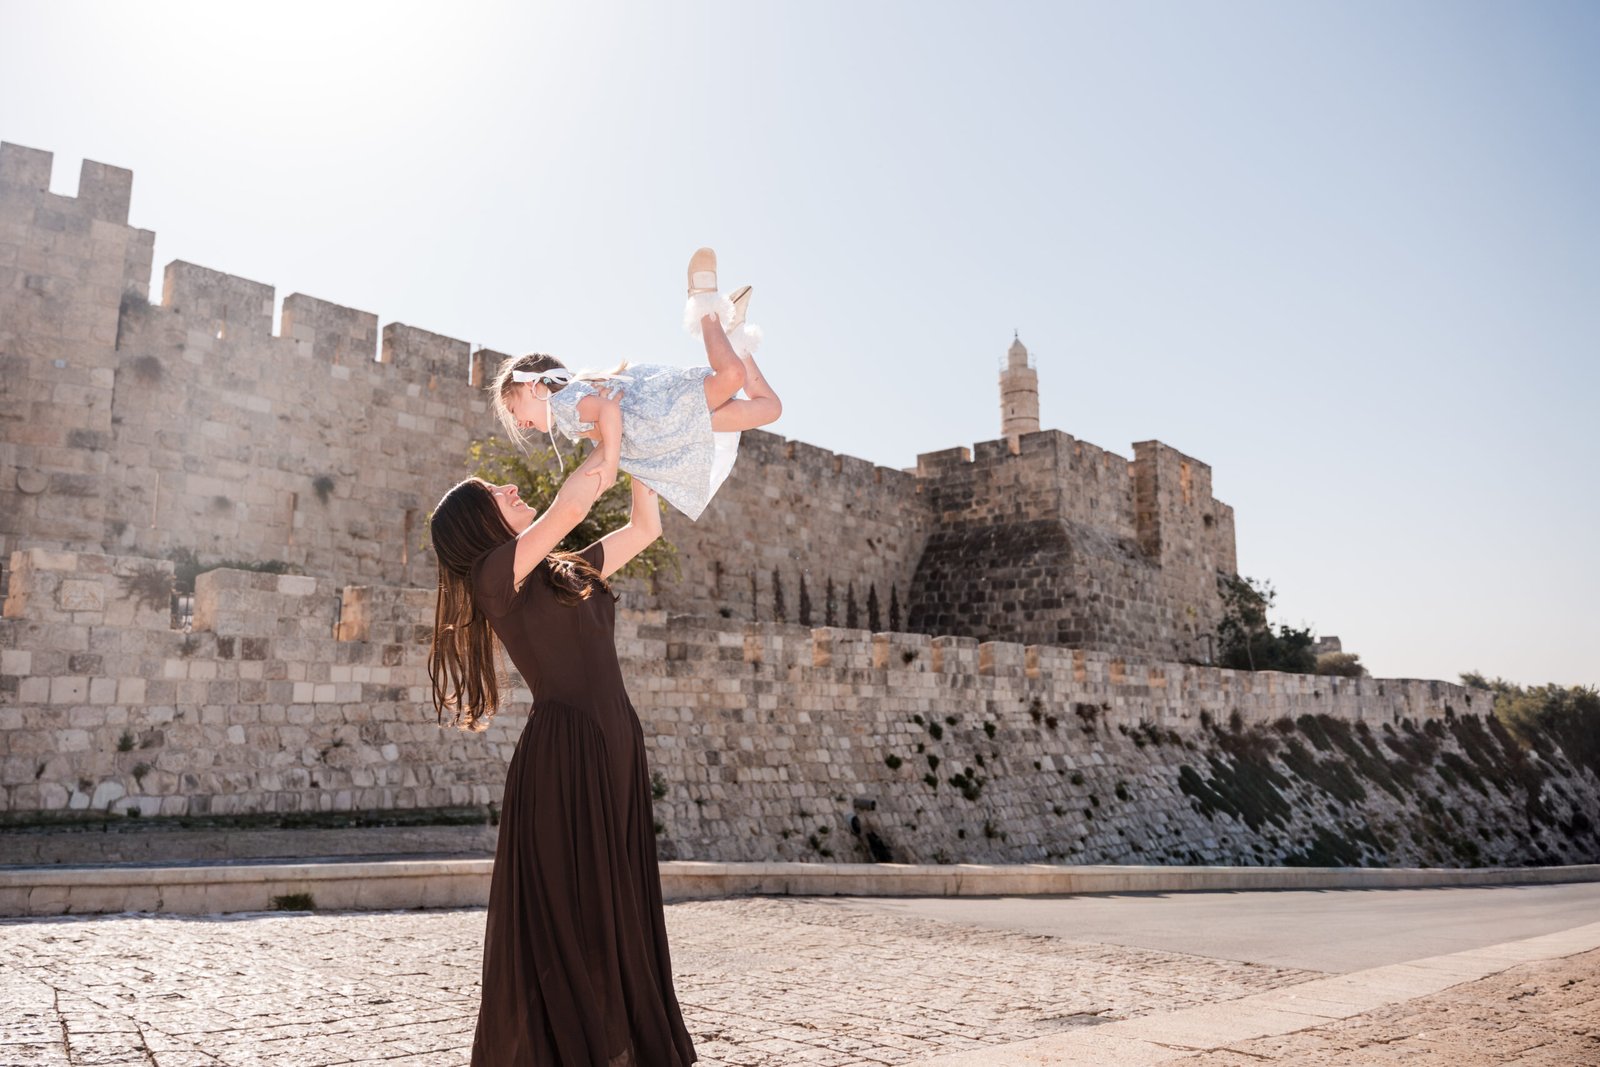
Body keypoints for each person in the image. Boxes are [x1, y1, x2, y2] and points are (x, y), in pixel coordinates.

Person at [428, 432, 697, 1066]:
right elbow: (573, 505)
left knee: (618, 901)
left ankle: (621, 1044)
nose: (508, 487)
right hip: (567, 753)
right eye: (492, 493)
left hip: (615, 740)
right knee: (580, 911)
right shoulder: (495, 576)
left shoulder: (566, 570)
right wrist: (611, 432)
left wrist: (645, 454)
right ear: (478, 524)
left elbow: (644, 527)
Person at [491, 248, 782, 521]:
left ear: (533, 387)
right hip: (675, 426)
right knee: (769, 409)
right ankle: (734, 338)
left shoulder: (564, 401)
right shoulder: (568, 413)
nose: (519, 424)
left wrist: (610, 463)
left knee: (731, 377)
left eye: (515, 410)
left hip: (668, 412)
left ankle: (705, 305)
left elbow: (609, 411)